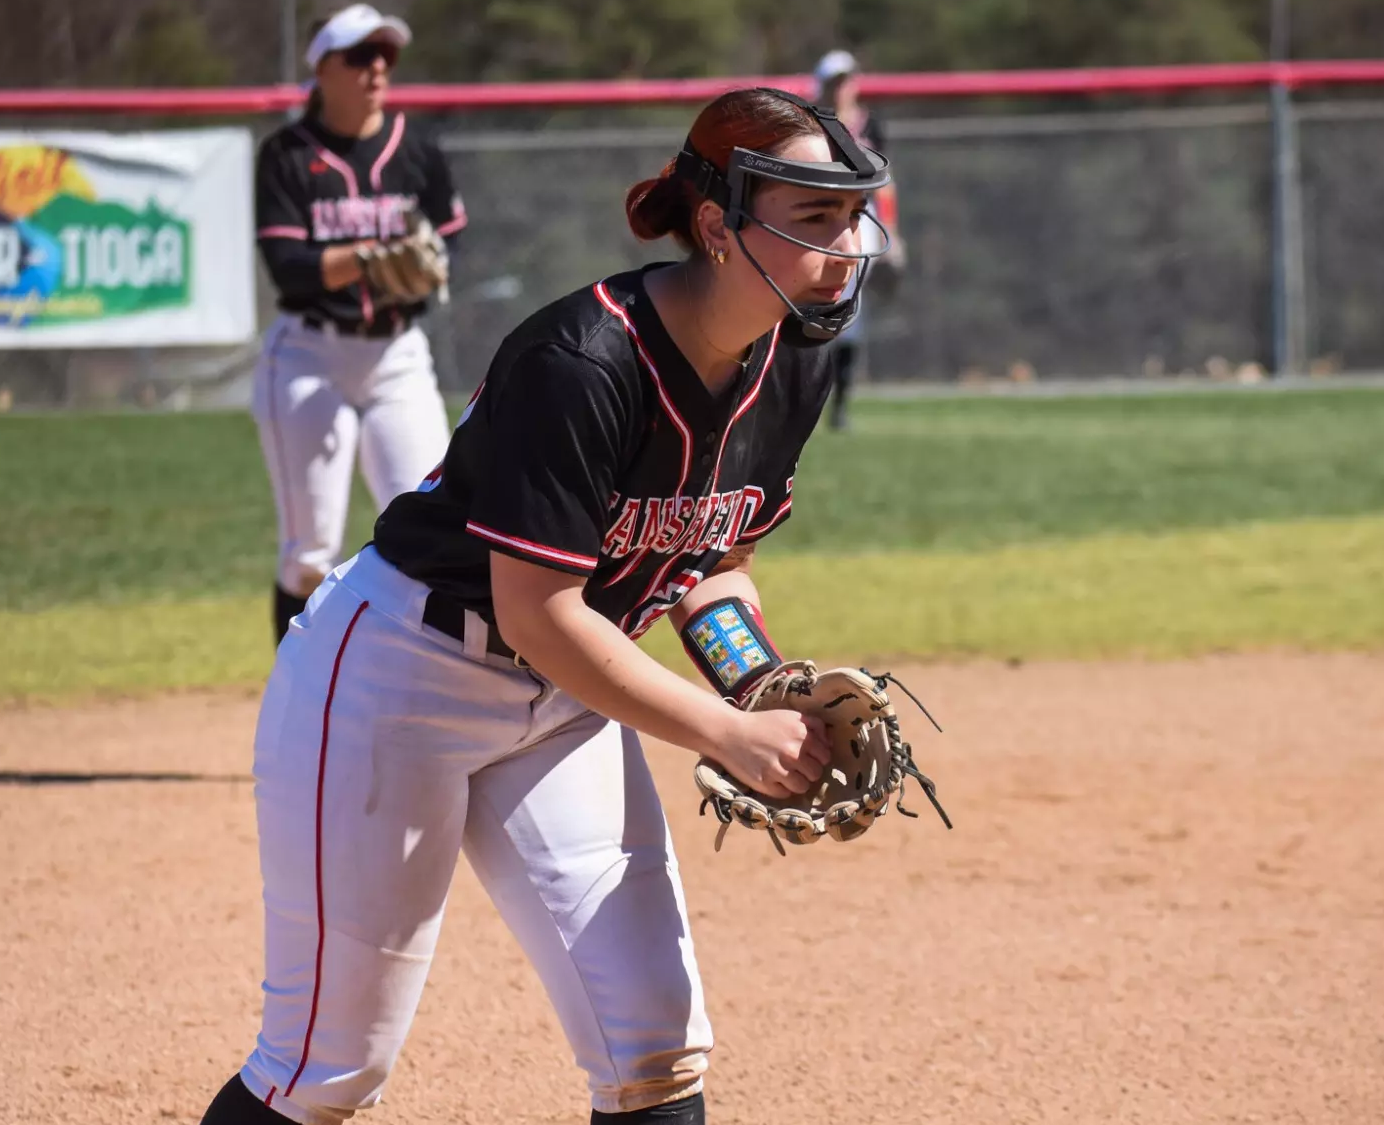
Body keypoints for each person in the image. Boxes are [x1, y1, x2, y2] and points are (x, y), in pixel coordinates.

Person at [195, 86, 893, 1125]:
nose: (843, 246)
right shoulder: (582, 361)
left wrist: (759, 681)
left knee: (655, 1042)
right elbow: (537, 612)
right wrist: (727, 732)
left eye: (849, 217)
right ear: (715, 225)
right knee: (327, 1066)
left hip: (563, 697)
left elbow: (709, 557)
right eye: (810, 219)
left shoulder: (794, 361)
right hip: (398, 676)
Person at [251, 3, 468, 646]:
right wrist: (374, 258)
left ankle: (411, 692)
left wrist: (423, 267)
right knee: (310, 551)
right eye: (359, 56)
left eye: (386, 56)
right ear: (322, 67)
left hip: (397, 356)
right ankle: (295, 697)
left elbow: (446, 246)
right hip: (309, 357)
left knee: (431, 532)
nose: (376, 68)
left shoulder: (417, 149)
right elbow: (290, 268)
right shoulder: (287, 155)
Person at [813, 48, 905, 431]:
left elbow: (886, 182)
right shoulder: (811, 123)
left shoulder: (870, 124)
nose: (842, 89)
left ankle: (840, 406)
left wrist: (893, 233)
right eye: (835, 82)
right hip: (816, 219)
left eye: (846, 80)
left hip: (861, 219)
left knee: (850, 308)